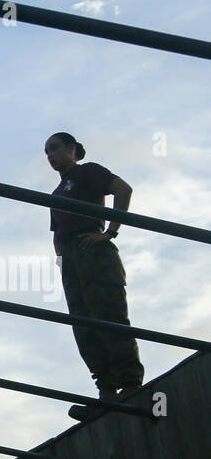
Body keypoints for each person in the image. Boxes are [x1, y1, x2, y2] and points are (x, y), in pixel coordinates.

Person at [43, 133, 143, 422]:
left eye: (55, 148)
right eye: (46, 152)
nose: (50, 155)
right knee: (83, 323)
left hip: (94, 250)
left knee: (108, 314)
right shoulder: (56, 192)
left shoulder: (88, 171)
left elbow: (123, 189)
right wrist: (61, 261)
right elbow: (56, 233)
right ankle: (107, 393)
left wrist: (110, 232)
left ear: (72, 149)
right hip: (71, 259)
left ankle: (131, 384)